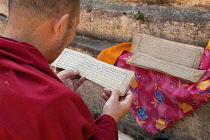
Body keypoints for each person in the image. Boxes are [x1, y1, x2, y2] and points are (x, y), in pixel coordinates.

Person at [0, 0, 134, 139]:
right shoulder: (54, 103)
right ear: (60, 26)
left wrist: (50, 85)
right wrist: (110, 117)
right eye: (75, 27)